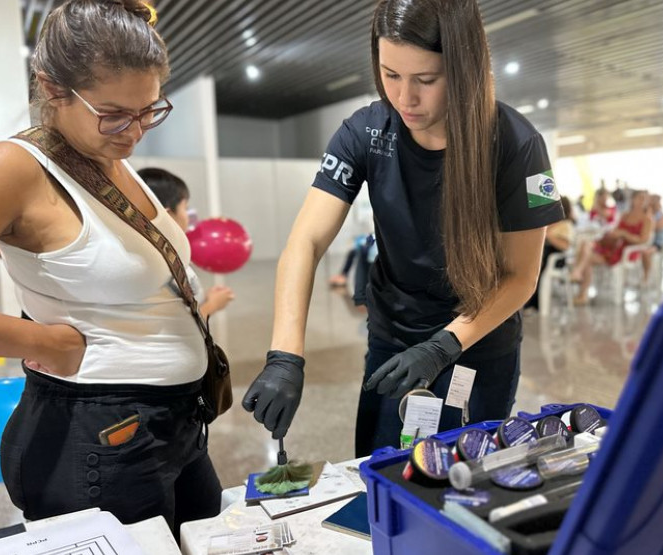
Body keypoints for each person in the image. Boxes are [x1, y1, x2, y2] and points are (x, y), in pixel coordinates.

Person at [0, 0, 220, 535]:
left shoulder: (108, 157)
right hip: (98, 435)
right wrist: (40, 342)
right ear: (53, 88)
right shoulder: (13, 167)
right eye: (114, 113)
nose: (134, 131)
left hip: (173, 423)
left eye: (149, 110)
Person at [241, 0, 563, 457]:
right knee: (383, 469)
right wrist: (284, 357)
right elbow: (306, 241)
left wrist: (442, 346)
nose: (405, 98)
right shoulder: (367, 131)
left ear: (465, 68)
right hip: (393, 338)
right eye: (390, 75)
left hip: (476, 342)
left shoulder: (516, 143)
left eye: (426, 80)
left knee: (460, 481)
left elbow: (520, 277)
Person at [137, 167, 235, 318]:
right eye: (186, 208)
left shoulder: (153, 248)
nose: (189, 216)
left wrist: (204, 299)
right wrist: (212, 305)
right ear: (168, 214)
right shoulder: (161, 264)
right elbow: (177, 324)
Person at [570, 190, 653, 305]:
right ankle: (582, 291)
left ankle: (579, 280)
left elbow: (643, 240)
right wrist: (614, 234)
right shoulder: (624, 215)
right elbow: (615, 231)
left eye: (644, 199)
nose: (642, 201)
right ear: (633, 199)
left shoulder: (647, 220)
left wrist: (624, 234)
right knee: (586, 247)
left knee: (585, 254)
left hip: (627, 251)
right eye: (640, 198)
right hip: (613, 246)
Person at [525, 196, 575, 312]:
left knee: (537, 270)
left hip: (555, 259)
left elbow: (565, 246)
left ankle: (533, 302)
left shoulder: (565, 225)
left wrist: (548, 235)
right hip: (544, 257)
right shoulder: (548, 223)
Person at [642, 193, 663, 281]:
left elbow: (653, 228)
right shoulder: (648, 214)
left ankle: (646, 277)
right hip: (646, 241)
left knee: (646, 253)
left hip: (658, 244)